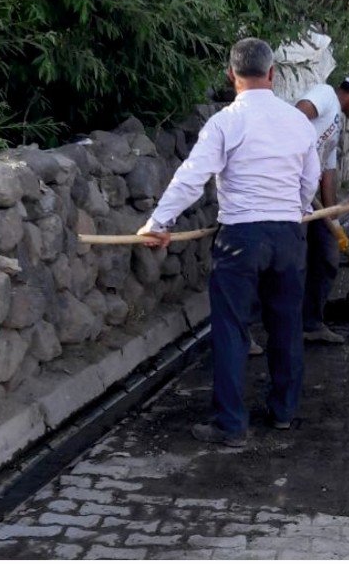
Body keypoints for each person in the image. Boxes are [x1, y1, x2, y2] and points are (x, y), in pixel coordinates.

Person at [137, 38, 320, 446]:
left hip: (241, 237)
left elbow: (192, 177)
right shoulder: (298, 122)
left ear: (230, 76)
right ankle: (284, 412)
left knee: (232, 329)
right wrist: (298, 207)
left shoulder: (226, 122)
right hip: (288, 236)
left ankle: (231, 424)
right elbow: (308, 182)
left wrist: (158, 222)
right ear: (273, 74)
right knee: (286, 326)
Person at [296, 71, 349, 344]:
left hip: (312, 201)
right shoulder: (324, 95)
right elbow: (296, 116)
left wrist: (334, 221)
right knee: (286, 265)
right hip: (287, 196)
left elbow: (328, 173)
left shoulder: (336, 125)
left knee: (328, 256)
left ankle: (311, 323)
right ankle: (267, 329)